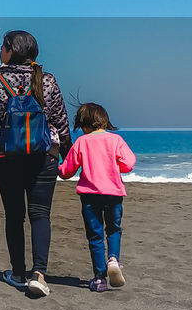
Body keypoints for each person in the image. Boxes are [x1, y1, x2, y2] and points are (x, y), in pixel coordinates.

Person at [0, 30, 72, 298]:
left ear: (11, 51)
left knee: (14, 216)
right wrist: (65, 153)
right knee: (41, 214)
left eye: (2, 46)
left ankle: (18, 273)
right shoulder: (47, 80)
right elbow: (61, 121)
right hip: (44, 157)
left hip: (7, 158)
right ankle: (39, 274)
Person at [58, 102, 136, 292]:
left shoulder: (82, 142)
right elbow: (129, 163)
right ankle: (113, 260)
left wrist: (55, 167)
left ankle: (100, 278)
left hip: (90, 196)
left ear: (83, 124)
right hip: (114, 194)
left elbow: (67, 171)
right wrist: (117, 166)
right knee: (113, 229)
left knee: (95, 236)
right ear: (104, 121)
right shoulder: (116, 140)